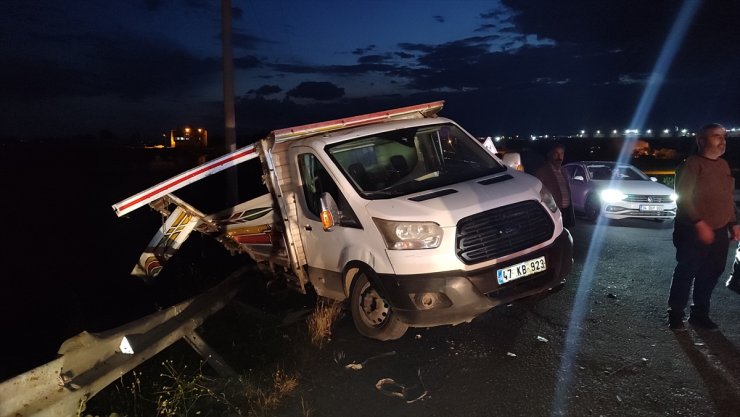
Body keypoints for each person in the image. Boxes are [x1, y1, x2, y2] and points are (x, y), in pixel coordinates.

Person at [668, 123, 740, 331]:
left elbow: (727, 198)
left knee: (712, 272)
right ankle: (676, 314)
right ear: (701, 141)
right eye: (716, 136)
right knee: (686, 270)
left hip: (718, 231)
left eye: (724, 136)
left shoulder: (723, 166)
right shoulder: (690, 165)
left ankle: (699, 314)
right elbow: (683, 198)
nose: (722, 140)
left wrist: (733, 224)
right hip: (692, 231)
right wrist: (699, 223)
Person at [535, 142, 575, 228]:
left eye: (561, 153)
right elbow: (538, 193)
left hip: (566, 211)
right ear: (550, 155)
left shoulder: (564, 171)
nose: (559, 157)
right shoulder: (542, 171)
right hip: (554, 212)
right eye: (556, 153)